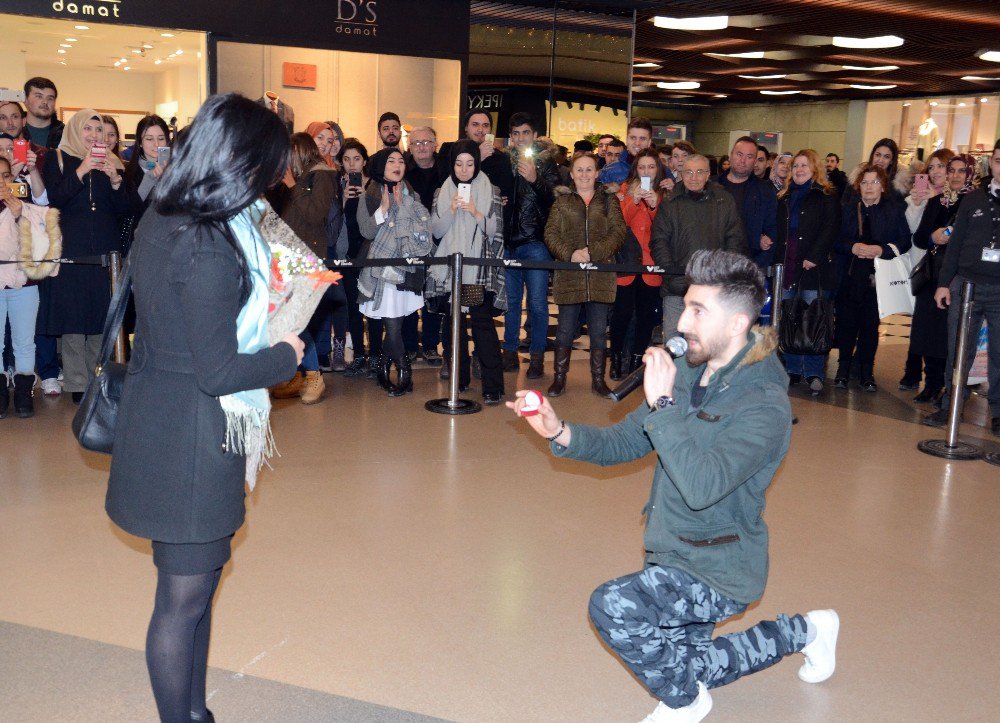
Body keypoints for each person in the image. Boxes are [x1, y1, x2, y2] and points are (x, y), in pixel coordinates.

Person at [507, 248, 839, 723]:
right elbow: (624, 442)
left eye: (698, 311)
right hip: (670, 549)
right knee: (691, 665)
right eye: (685, 306)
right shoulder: (687, 371)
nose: (681, 322)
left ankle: (687, 702)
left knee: (614, 606)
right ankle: (808, 631)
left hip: (719, 567)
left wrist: (664, 406)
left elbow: (703, 485)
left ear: (738, 323)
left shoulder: (765, 404)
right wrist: (559, 431)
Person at [105, 93, 304, 723]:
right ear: (240, 160)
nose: (277, 178)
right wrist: (286, 353)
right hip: (194, 436)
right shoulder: (210, 244)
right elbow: (220, 370)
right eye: (270, 163)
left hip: (164, 420)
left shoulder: (166, 216)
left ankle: (195, 714)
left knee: (191, 597)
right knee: (183, 602)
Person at [39, 110, 130, 403]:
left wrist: (116, 181)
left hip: (106, 252)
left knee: (101, 318)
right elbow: (55, 199)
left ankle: (98, 379)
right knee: (74, 320)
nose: (94, 135)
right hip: (71, 250)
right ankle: (77, 383)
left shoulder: (113, 162)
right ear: (76, 130)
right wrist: (82, 170)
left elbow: (126, 210)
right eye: (88, 128)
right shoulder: (58, 158)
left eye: (99, 129)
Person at [924, 142, 1000, 435]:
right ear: (989, 164)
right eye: (997, 160)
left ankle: (997, 411)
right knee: (959, 350)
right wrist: (944, 284)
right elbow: (954, 246)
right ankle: (951, 404)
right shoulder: (973, 200)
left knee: (998, 354)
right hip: (966, 286)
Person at [429, 139, 507, 404]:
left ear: (477, 163)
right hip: (451, 271)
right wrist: (451, 208)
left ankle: (493, 386)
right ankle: (458, 380)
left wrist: (474, 211)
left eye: (470, 163)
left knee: (483, 326)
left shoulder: (490, 189)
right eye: (459, 164)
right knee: (454, 327)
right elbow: (436, 232)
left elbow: (494, 232)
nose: (464, 169)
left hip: (476, 270)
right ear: (452, 165)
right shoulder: (442, 191)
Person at [544, 152, 625, 397]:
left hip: (600, 274)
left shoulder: (609, 200)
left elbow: (618, 231)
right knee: (565, 329)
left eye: (589, 169)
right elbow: (550, 234)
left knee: (599, 331)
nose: (584, 174)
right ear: (571, 174)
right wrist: (570, 254)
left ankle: (598, 380)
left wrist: (595, 252)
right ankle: (559, 378)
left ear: (597, 173)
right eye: (579, 170)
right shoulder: (562, 202)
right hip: (570, 275)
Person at [355, 147, 433, 396]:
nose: (397, 165)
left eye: (401, 160)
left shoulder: (410, 192)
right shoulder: (370, 192)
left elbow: (421, 226)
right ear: (381, 165)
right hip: (379, 270)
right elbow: (366, 231)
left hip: (405, 268)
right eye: (391, 161)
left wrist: (404, 208)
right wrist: (384, 210)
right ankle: (402, 369)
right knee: (391, 324)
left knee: (396, 325)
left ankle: (388, 367)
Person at [273, 132, 342, 404]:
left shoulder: (322, 175)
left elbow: (315, 215)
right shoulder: (295, 179)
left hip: (309, 259)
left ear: (299, 152)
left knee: (296, 319)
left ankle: (314, 374)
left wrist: (293, 185)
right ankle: (295, 373)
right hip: (286, 258)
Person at [650, 154, 746, 341]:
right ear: (681, 173)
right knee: (674, 346)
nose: (693, 177)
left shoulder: (724, 200)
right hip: (675, 289)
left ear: (708, 174)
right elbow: (659, 241)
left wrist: (722, 276)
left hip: (712, 288)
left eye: (699, 172)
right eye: (689, 172)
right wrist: (673, 276)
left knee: (708, 344)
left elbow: (734, 240)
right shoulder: (670, 202)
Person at [834, 164, 911, 391]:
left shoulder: (894, 210)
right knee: (846, 325)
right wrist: (853, 246)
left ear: (883, 186)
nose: (869, 187)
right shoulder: (847, 209)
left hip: (877, 280)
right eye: (865, 182)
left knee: (870, 326)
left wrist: (882, 250)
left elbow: (905, 241)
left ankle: (867, 372)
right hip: (849, 276)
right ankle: (842, 369)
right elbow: (836, 240)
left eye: (874, 182)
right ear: (858, 186)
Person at [906, 154, 972, 405]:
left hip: (958, 277)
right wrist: (934, 236)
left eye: (960, 171)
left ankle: (948, 386)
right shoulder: (936, 202)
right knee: (926, 333)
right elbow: (920, 238)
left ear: (969, 174)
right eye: (951, 170)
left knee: (949, 335)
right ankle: (931, 382)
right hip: (932, 275)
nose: (955, 176)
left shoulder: (974, 203)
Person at [774, 150, 840, 395]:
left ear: (815, 169)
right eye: (795, 166)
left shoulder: (826, 196)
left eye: (804, 165)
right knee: (790, 319)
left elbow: (831, 228)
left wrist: (815, 256)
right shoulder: (784, 197)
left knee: (813, 320)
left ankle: (814, 371)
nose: (799, 170)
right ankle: (792, 368)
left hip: (814, 268)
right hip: (788, 266)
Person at [500, 112, 560, 378]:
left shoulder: (547, 162)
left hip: (536, 242)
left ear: (535, 135)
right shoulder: (504, 162)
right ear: (510, 136)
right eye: (516, 133)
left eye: (525, 132)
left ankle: (537, 355)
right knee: (511, 302)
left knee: (537, 303)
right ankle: (509, 352)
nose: (521, 138)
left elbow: (557, 201)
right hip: (509, 242)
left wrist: (536, 179)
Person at [0, 155, 55, 418]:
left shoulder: (26, 206)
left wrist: (20, 216)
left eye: (5, 175)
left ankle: (24, 392)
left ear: (12, 178)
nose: (1, 181)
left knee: (25, 342)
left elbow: (39, 246)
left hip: (25, 283)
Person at [899, 148, 955, 393]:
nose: (935, 173)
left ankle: (940, 382)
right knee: (922, 326)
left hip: (950, 273)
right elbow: (917, 235)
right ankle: (920, 376)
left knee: (941, 329)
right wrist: (917, 203)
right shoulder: (929, 200)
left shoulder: (962, 200)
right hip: (926, 268)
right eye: (930, 168)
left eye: (940, 167)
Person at [610, 148, 664, 380]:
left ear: (657, 169)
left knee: (645, 317)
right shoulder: (624, 190)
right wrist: (633, 200)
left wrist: (655, 206)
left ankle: (636, 361)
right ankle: (615, 359)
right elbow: (620, 224)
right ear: (635, 170)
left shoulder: (665, 192)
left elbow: (665, 228)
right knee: (621, 314)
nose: (646, 171)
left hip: (652, 265)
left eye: (651, 167)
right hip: (628, 263)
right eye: (642, 167)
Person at [337, 139, 381, 379]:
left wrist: (363, 197)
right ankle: (359, 355)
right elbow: (334, 222)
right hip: (347, 255)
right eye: (346, 159)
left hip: (370, 254)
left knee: (372, 306)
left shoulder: (375, 186)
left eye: (356, 159)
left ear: (364, 161)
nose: (352, 164)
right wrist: (343, 199)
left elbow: (376, 223)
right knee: (353, 307)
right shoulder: (338, 185)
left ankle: (375, 353)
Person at [404, 126, 447, 364]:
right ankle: (410, 346)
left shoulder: (446, 171)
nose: (421, 147)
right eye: (416, 143)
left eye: (426, 142)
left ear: (435, 144)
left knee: (434, 295)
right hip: (410, 242)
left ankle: (431, 345)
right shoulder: (404, 171)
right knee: (411, 294)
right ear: (410, 147)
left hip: (439, 241)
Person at [716, 136, 778, 269]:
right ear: (730, 156)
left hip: (749, 266)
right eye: (739, 154)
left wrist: (757, 265)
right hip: (713, 264)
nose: (743, 160)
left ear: (755, 161)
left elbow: (772, 230)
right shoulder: (711, 186)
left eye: (749, 157)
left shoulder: (765, 191)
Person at [844, 138, 911, 207]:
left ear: (891, 161)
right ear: (872, 155)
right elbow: (844, 204)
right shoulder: (857, 177)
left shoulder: (898, 186)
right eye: (878, 155)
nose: (880, 160)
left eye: (886, 157)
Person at [599, 117, 653, 185]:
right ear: (627, 140)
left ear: (649, 142)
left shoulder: (661, 171)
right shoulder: (609, 172)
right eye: (633, 138)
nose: (637, 143)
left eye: (642, 138)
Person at [22, 77, 64, 149]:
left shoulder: (65, 134)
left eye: (50, 98)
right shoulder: (14, 130)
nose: (45, 102)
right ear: (25, 100)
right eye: (39, 96)